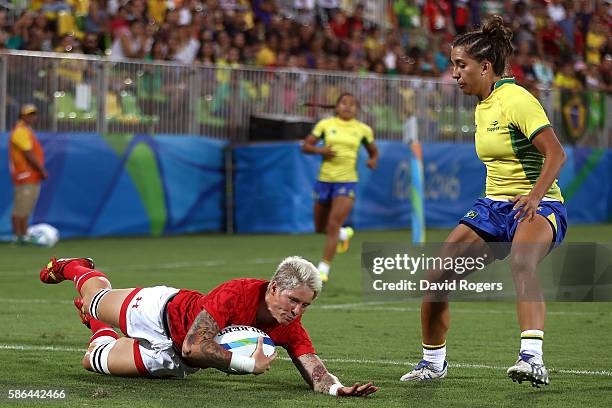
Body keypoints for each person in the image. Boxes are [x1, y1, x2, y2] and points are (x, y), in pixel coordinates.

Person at [400, 16, 567, 388]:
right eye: (452, 65)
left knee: (523, 262)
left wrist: (534, 196)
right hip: (494, 207)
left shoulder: (516, 100)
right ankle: (433, 363)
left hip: (539, 205)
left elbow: (556, 154)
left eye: (461, 65)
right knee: (437, 279)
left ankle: (532, 360)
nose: (454, 73)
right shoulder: (483, 102)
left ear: (486, 67)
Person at [39, 256, 378, 397]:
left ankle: (95, 324)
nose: (297, 310)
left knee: (93, 359)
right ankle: (76, 267)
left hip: (174, 362)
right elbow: (193, 344)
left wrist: (336, 388)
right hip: (160, 313)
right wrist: (247, 363)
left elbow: (316, 371)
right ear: (274, 287)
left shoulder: (291, 325)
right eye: (293, 300)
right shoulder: (238, 292)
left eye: (305, 305)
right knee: (97, 297)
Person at [301, 93, 379, 283]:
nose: (348, 107)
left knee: (333, 225)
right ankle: (344, 234)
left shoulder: (362, 129)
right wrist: (321, 150)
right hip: (325, 180)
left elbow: (374, 150)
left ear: (357, 109)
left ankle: (323, 270)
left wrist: (373, 160)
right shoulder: (325, 125)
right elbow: (305, 146)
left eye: (352, 104)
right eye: (344, 103)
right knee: (320, 228)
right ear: (336, 107)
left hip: (347, 181)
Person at [8, 104, 48, 244]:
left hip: (30, 174)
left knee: (26, 207)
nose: (32, 117)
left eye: (34, 114)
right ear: (22, 115)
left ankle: (23, 236)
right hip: (25, 174)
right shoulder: (20, 131)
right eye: (29, 114)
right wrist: (41, 169)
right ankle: (18, 237)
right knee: (21, 207)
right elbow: (28, 153)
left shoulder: (26, 130)